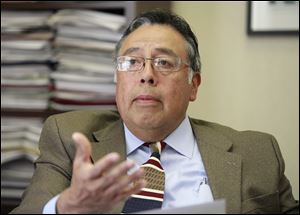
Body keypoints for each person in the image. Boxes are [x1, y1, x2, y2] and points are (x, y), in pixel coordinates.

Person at [11, 9, 298, 214]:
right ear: (117, 80)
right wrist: (68, 207)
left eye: (163, 63)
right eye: (132, 62)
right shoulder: (69, 138)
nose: (146, 75)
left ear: (193, 85)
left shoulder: (257, 151)